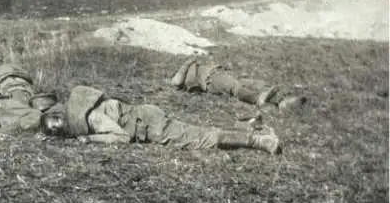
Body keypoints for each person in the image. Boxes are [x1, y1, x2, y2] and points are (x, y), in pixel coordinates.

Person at [40, 85, 282, 155]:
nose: (57, 129)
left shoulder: (91, 119)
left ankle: (262, 141)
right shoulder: (83, 107)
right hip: (146, 115)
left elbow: (122, 138)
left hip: (151, 125)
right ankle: (252, 127)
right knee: (198, 130)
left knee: (203, 138)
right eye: (55, 130)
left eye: (56, 125)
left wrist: (89, 140)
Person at [170, 56, 306, 111]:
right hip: (210, 80)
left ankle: (281, 100)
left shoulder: (193, 68)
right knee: (234, 86)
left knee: (250, 82)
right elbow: (176, 82)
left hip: (216, 73)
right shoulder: (184, 74)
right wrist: (188, 63)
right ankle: (258, 99)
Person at [0, 63, 59, 132]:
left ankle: (46, 121)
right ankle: (49, 120)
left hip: (14, 92)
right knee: (35, 114)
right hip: (17, 92)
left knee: (30, 115)